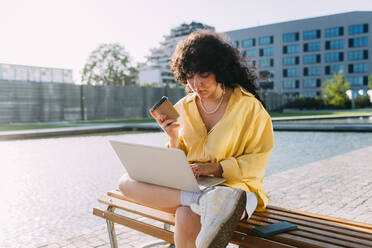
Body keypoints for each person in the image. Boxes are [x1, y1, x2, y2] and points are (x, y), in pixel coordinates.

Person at [118, 30, 274, 248]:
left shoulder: (249, 108)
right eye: (190, 76)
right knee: (125, 182)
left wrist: (216, 168)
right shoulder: (183, 107)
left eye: (203, 74)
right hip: (193, 189)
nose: (195, 84)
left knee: (185, 215)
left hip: (235, 192)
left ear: (219, 70)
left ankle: (205, 202)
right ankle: (200, 201)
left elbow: (258, 162)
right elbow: (175, 165)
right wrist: (172, 137)